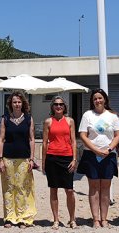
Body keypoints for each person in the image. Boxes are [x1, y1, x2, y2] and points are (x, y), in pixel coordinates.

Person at [78, 88, 119, 228]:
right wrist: (96, 150)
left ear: (105, 100)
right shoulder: (87, 115)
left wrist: (109, 149)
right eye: (95, 98)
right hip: (91, 154)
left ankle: (104, 218)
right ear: (92, 101)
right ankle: (95, 219)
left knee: (106, 187)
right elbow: (83, 135)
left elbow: (118, 135)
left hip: (108, 155)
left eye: (100, 98)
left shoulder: (112, 116)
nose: (98, 101)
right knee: (94, 187)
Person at [0, 91, 37, 228]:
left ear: (23, 103)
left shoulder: (28, 118)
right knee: (8, 188)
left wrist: (32, 159)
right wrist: (0, 159)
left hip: (24, 158)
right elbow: (1, 140)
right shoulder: (5, 119)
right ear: (10, 104)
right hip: (8, 158)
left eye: (19, 102)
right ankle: (9, 217)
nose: (17, 104)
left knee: (22, 188)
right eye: (14, 102)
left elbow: (32, 139)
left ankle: (21, 217)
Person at [41, 96, 77, 229]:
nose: (58, 106)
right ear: (52, 106)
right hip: (52, 157)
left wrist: (74, 159)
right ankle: (56, 219)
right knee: (53, 189)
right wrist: (43, 162)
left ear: (64, 106)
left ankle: (72, 219)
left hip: (67, 157)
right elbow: (44, 143)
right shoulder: (48, 122)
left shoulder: (70, 121)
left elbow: (73, 141)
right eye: (56, 104)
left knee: (69, 190)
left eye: (61, 104)